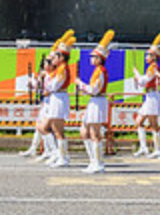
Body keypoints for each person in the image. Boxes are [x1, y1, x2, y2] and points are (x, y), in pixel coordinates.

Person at [77, 30, 114, 173]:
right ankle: (93, 161)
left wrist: (81, 84)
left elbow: (94, 89)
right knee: (84, 131)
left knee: (95, 133)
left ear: (100, 58)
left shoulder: (101, 71)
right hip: (94, 101)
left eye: (94, 57)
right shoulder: (97, 71)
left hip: (98, 101)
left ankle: (98, 163)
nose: (91, 59)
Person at [39, 31, 76, 168]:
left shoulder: (62, 69)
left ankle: (63, 157)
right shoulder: (59, 69)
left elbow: (53, 86)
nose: (53, 59)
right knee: (50, 128)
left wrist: (46, 78)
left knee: (58, 130)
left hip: (59, 97)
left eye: (56, 56)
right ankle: (58, 154)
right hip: (56, 97)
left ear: (61, 57)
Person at [132, 33, 160, 158]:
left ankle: (158, 149)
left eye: (148, 55)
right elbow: (142, 82)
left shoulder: (154, 67)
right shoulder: (150, 67)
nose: (146, 57)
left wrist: (137, 74)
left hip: (153, 96)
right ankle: (144, 147)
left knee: (153, 124)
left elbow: (144, 80)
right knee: (139, 121)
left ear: (154, 57)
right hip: (148, 96)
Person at [21, 56, 53, 159]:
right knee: (39, 126)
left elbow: (45, 87)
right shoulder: (45, 75)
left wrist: (38, 81)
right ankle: (34, 148)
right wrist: (33, 83)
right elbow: (39, 87)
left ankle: (49, 150)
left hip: (50, 103)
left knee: (44, 127)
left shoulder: (51, 75)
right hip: (44, 102)